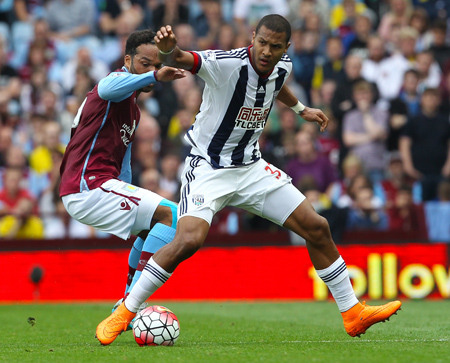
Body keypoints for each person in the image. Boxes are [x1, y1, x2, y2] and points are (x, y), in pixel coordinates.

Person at [96, 14, 401, 346]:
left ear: (286, 47)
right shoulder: (226, 64)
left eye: (275, 46)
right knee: (188, 241)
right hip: (209, 168)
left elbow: (274, 85)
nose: (266, 51)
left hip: (252, 169)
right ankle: (125, 311)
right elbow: (185, 59)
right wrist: (169, 51)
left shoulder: (282, 65)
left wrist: (302, 110)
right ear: (253, 37)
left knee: (317, 226)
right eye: (262, 43)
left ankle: (352, 313)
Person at [59, 29, 185, 317]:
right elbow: (105, 89)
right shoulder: (114, 83)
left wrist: (132, 201)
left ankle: (126, 303)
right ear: (127, 60)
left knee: (155, 224)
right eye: (144, 63)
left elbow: (124, 166)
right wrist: (155, 77)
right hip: (87, 186)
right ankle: (130, 305)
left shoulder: (134, 111)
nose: (152, 69)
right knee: (173, 215)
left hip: (101, 186)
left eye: (155, 65)